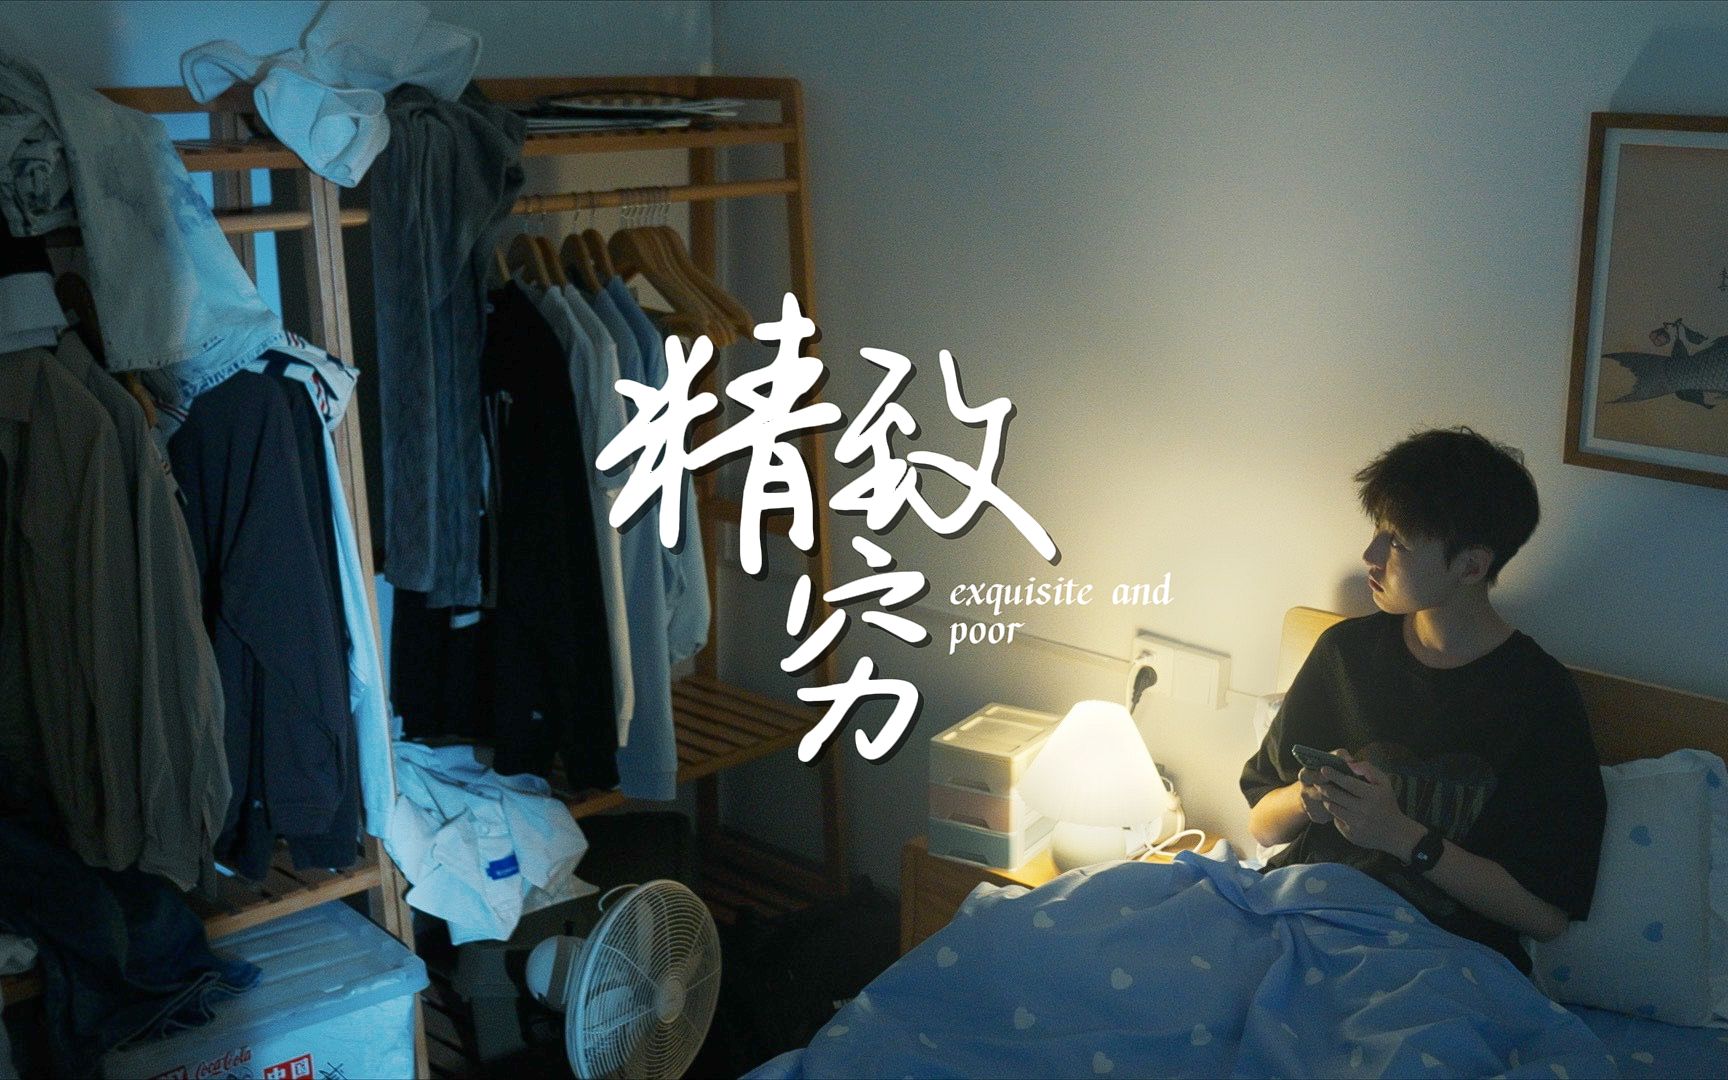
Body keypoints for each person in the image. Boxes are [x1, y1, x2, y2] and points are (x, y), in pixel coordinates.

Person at [1239, 427, 1605, 975]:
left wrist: (1401, 836)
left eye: (1398, 543)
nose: (1371, 556)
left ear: (1471, 566)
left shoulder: (1539, 699)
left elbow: (1546, 917)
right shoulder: (1345, 653)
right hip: (1293, 913)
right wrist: (1306, 798)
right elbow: (1262, 827)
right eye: (1377, 532)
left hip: (1432, 962)